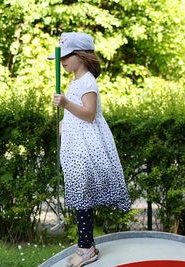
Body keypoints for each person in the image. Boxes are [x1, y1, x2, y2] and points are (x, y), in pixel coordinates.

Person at [48, 32, 131, 266]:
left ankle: (86, 249)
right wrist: (66, 121)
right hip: (76, 146)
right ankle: (86, 244)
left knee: (82, 198)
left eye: (66, 56)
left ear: (81, 56)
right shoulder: (76, 81)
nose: (62, 61)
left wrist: (65, 103)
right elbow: (78, 115)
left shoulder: (87, 82)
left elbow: (89, 113)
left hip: (85, 149)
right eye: (60, 57)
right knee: (80, 197)